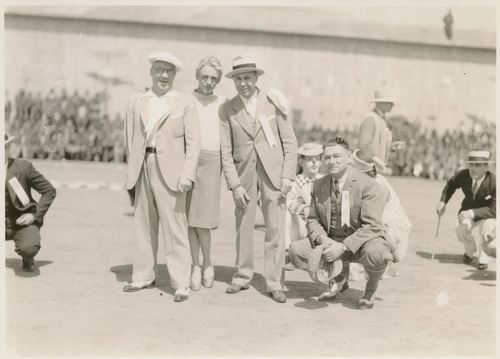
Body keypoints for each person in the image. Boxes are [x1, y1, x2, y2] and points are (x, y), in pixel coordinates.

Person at [219, 53, 298, 303]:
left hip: (274, 176)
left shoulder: (273, 103)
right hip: (244, 178)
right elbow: (226, 152)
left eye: (247, 77)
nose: (243, 83)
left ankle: (274, 282)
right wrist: (235, 185)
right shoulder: (226, 109)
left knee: (275, 228)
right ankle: (242, 276)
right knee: (243, 227)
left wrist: (287, 176)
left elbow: (290, 143)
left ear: (256, 78)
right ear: (233, 81)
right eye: (238, 78)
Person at [123, 52, 200, 302]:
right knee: (143, 222)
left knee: (175, 225)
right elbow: (130, 136)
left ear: (175, 75)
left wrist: (187, 175)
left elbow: (194, 144)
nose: (163, 76)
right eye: (159, 70)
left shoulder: (185, 101)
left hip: (172, 171)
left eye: (169, 71)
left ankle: (181, 282)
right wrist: (134, 165)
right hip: (143, 164)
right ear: (151, 72)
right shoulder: (137, 99)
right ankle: (143, 276)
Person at [289, 137, 397, 310]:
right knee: (296, 252)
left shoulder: (368, 184)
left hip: (362, 243)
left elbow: (373, 226)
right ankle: (340, 279)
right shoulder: (318, 185)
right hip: (331, 241)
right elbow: (313, 219)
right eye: (327, 157)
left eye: (337, 156)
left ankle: (370, 290)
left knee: (377, 254)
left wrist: (344, 246)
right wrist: (324, 241)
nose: (332, 161)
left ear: (348, 157)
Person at [186, 56, 226, 291]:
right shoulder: (186, 100)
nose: (208, 82)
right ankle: (194, 265)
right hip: (189, 161)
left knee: (204, 220)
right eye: (205, 77)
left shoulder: (223, 102)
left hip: (212, 161)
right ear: (197, 76)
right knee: (191, 220)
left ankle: (208, 262)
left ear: (218, 80)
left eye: (213, 78)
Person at [349, 148, 411, 280]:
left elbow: (375, 219)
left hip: (391, 228)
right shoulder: (365, 182)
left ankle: (382, 263)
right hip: (377, 224)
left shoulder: (378, 185)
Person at [5, 133, 57, 273]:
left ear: (8, 147)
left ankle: (28, 259)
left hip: (21, 222)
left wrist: (34, 215)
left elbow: (49, 191)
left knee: (28, 248)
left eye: (3, 147)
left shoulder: (23, 168)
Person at [436, 151, 496, 270]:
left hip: (487, 215)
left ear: (486, 166)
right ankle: (470, 249)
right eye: (471, 165)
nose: (473, 169)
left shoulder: (494, 182)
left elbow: (495, 210)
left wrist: (471, 213)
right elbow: (450, 185)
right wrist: (443, 201)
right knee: (460, 228)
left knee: (487, 227)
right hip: (467, 210)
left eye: (477, 165)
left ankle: (483, 258)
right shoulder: (463, 175)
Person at [284, 142, 324, 270]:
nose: (314, 163)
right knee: (285, 215)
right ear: (301, 162)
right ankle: (287, 254)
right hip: (303, 226)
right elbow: (287, 202)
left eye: (317, 159)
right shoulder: (295, 182)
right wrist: (303, 208)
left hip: (321, 227)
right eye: (309, 160)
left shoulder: (325, 180)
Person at [357, 88, 404, 174]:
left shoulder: (382, 119)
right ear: (380, 103)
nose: (392, 105)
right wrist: (379, 161)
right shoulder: (370, 118)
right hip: (366, 170)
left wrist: (390, 147)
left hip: (374, 170)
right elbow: (363, 145)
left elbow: (376, 145)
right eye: (389, 102)